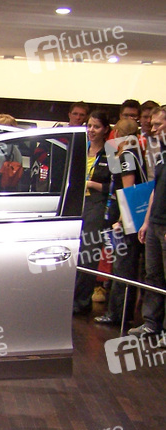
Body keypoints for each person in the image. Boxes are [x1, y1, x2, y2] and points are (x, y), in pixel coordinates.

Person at [96, 118, 146, 327]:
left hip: (127, 220)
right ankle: (122, 313)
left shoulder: (126, 156)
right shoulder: (136, 153)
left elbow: (128, 190)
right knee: (125, 266)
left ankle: (117, 314)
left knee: (122, 267)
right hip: (133, 219)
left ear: (117, 133)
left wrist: (120, 220)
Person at [129, 106, 166, 336]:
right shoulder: (162, 154)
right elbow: (155, 189)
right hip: (155, 223)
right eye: (152, 125)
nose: (153, 129)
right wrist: (145, 221)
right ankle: (151, 323)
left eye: (158, 124)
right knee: (152, 275)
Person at [74, 110, 114, 315]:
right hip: (76, 204)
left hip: (97, 205)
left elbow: (116, 186)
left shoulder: (112, 152)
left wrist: (92, 184)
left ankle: (82, 301)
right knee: (72, 252)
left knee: (88, 254)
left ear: (105, 129)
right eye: (89, 126)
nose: (91, 130)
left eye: (96, 127)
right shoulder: (81, 147)